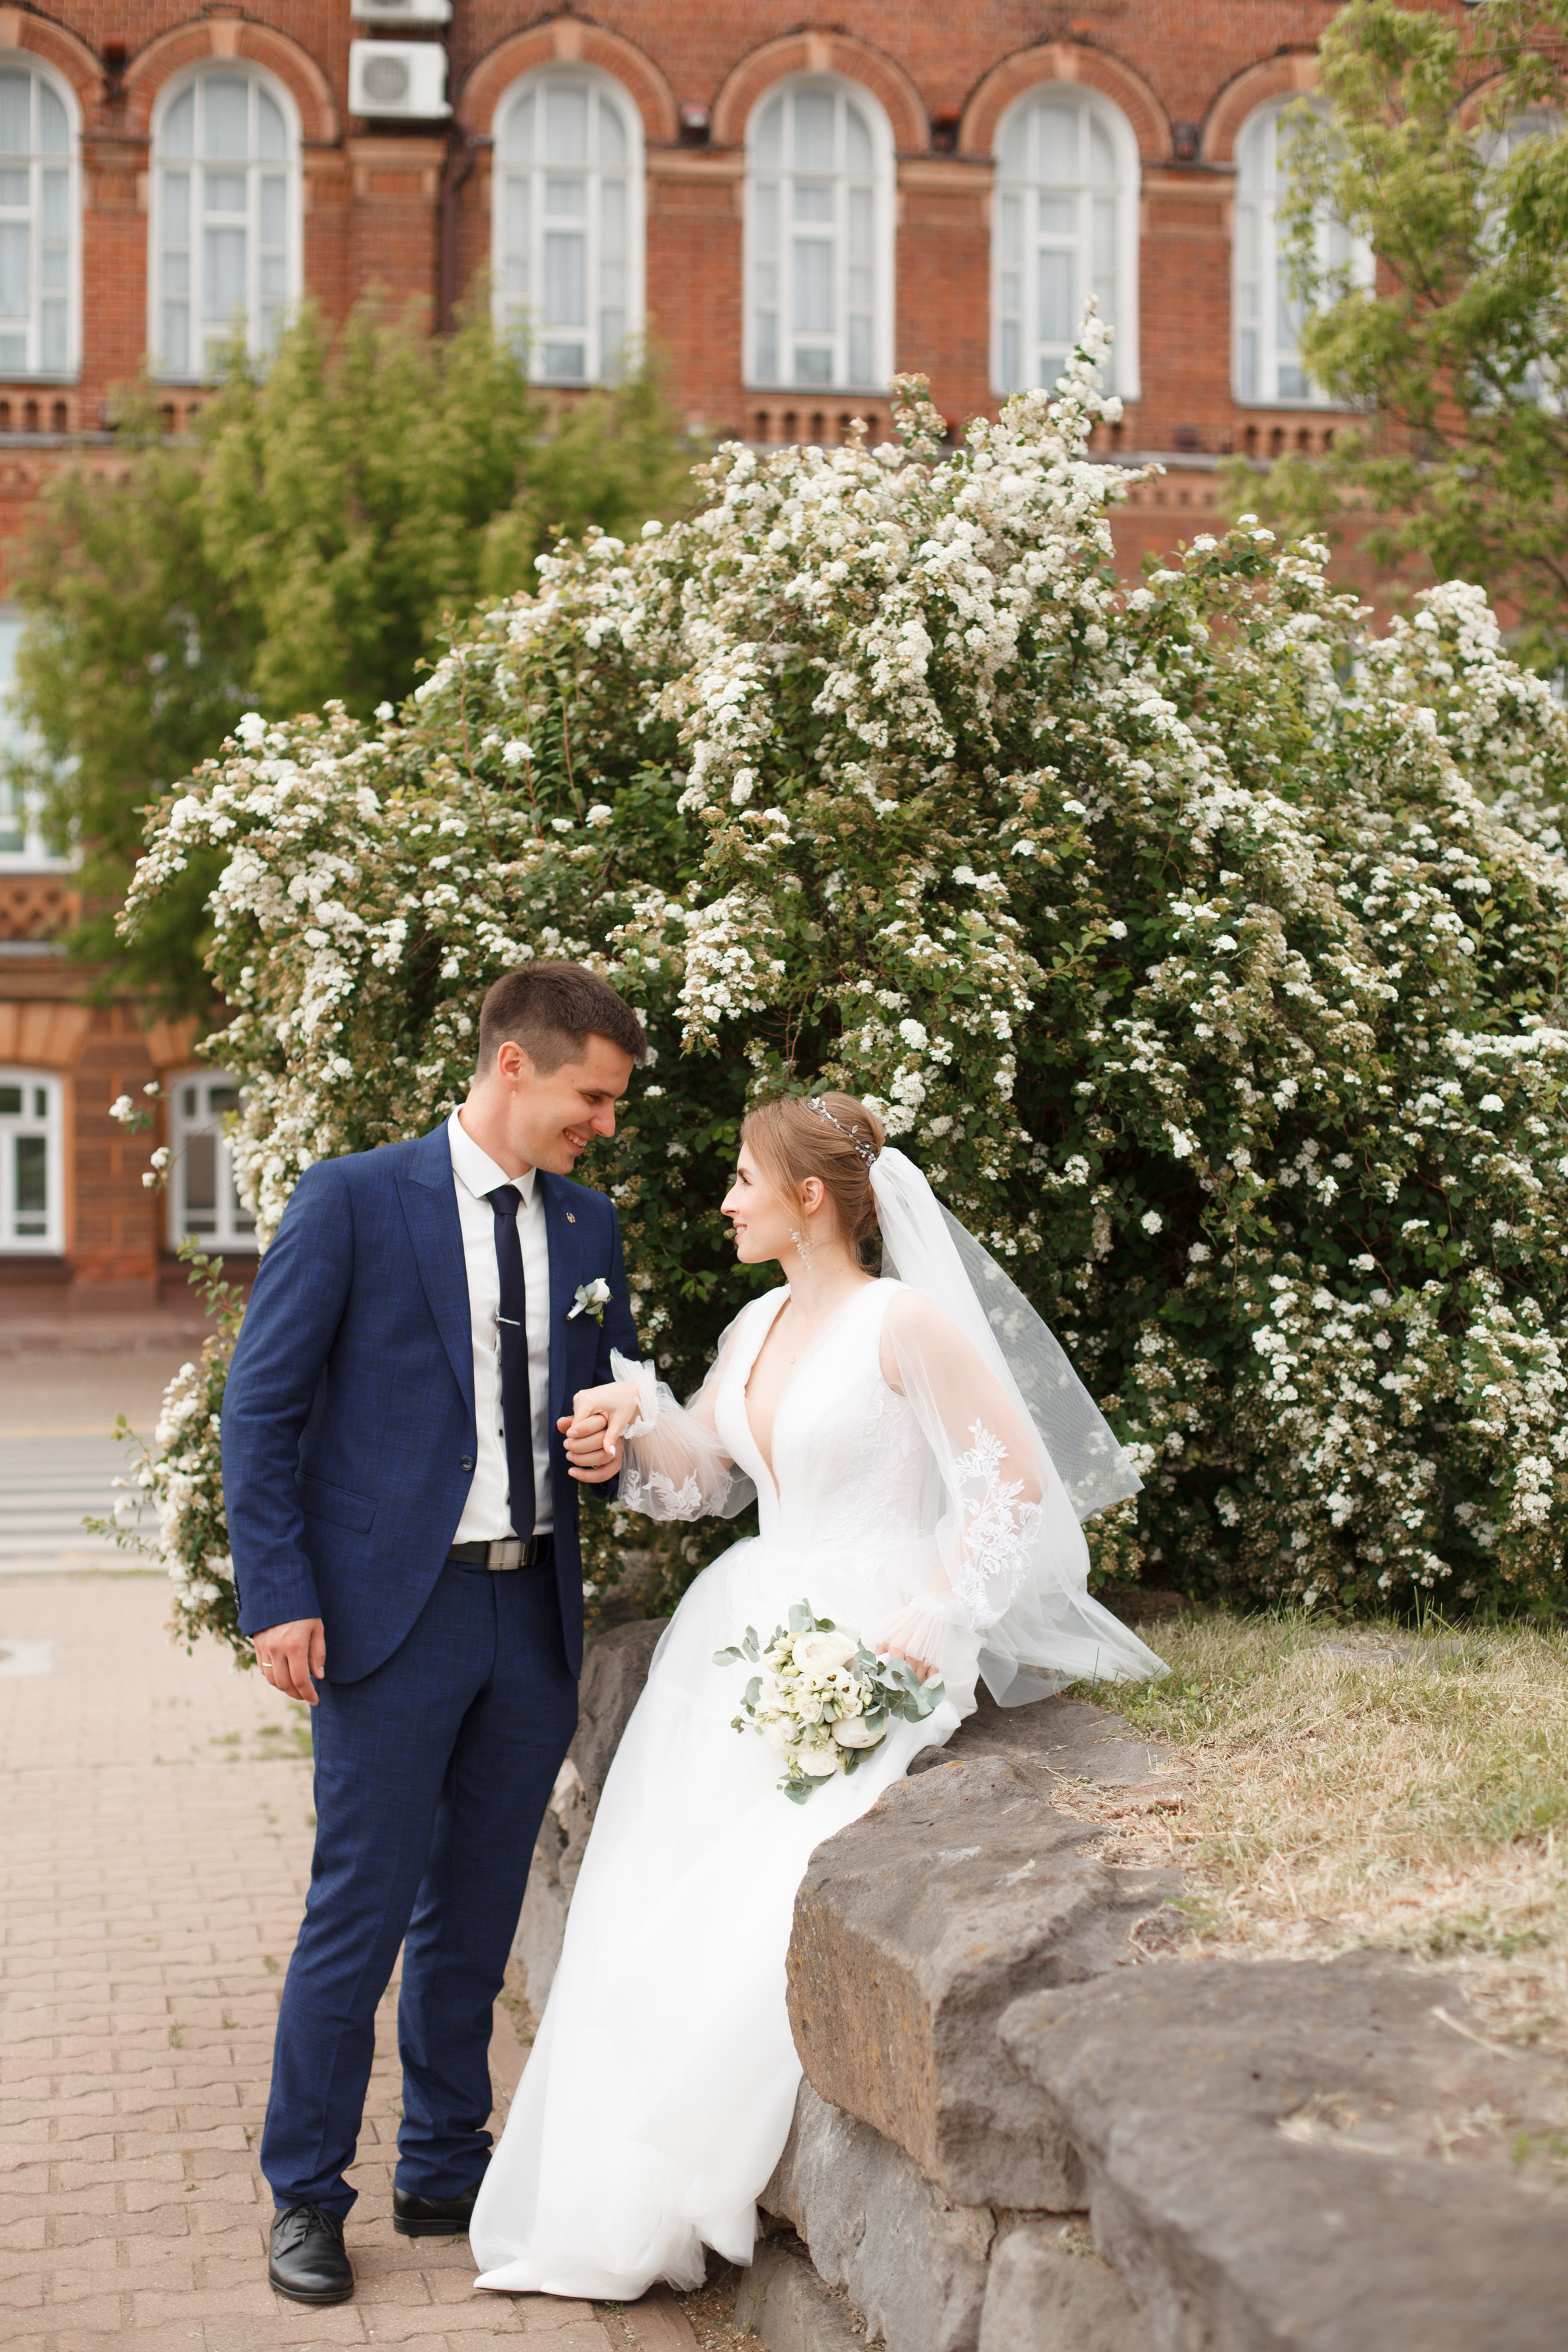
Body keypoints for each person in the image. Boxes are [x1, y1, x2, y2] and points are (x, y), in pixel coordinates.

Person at [469, 1090, 1166, 2302]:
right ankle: (613, 2178)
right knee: (653, 1894)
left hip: (876, 1636)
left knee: (755, 1891)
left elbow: (1011, 1491)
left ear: (807, 1197)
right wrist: (631, 1425)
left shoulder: (902, 1325)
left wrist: (939, 1609)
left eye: (744, 1177)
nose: (725, 1197)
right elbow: (706, 1474)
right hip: (749, 1638)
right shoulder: (756, 1323)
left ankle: (679, 2166)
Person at [221, 960, 646, 2307]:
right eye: (592, 1094)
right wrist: (277, 1590)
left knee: (472, 1913)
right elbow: (261, 1409)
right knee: (357, 1912)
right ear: (511, 1065)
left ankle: (442, 2163)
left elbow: (614, 1393)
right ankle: (305, 2194)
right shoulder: (353, 1200)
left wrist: (609, 1439)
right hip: (387, 1618)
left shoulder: (590, 1223)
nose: (606, 1122)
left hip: (531, 1609)